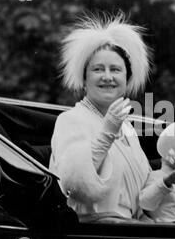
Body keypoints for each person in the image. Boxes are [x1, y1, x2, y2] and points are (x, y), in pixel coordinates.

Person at [49, 13, 152, 223]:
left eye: (115, 70)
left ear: (127, 79)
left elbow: (143, 188)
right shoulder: (70, 120)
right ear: (84, 79)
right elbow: (75, 184)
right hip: (94, 233)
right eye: (98, 69)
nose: (107, 77)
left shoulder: (128, 128)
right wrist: (106, 134)